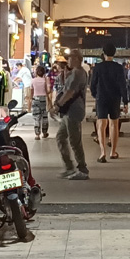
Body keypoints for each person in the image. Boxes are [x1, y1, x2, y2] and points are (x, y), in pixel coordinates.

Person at [53, 52, 89, 180]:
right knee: (61, 137)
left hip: (73, 110)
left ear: (78, 59)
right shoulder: (76, 72)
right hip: (69, 111)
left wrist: (58, 105)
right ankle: (69, 167)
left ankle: (82, 169)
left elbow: (69, 92)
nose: (68, 60)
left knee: (74, 140)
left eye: (71, 58)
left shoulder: (78, 73)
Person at [89, 43, 126, 162]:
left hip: (102, 98)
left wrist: (96, 95)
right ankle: (113, 152)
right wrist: (125, 101)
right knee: (114, 124)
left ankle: (102, 153)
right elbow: (123, 86)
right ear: (114, 53)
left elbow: (92, 84)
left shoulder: (98, 67)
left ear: (103, 53)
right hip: (115, 98)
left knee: (101, 124)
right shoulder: (119, 68)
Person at [31, 64, 50, 139]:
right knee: (44, 117)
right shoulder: (45, 80)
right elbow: (48, 91)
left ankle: (37, 134)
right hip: (44, 99)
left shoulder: (33, 80)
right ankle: (44, 133)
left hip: (35, 99)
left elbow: (31, 91)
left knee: (36, 117)